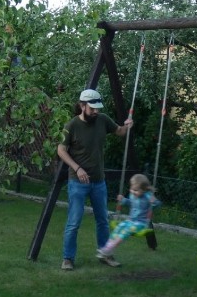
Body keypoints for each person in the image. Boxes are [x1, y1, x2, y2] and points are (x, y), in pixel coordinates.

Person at [56, 89, 132, 270]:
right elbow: (61, 150)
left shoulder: (103, 120)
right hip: (77, 182)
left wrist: (127, 126)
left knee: (103, 220)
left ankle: (105, 254)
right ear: (82, 106)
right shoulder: (71, 125)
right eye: (92, 109)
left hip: (99, 181)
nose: (95, 112)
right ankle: (68, 259)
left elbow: (120, 131)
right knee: (74, 222)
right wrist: (77, 168)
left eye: (97, 108)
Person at [99, 173, 160, 258]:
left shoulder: (147, 196)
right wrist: (123, 200)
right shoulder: (133, 195)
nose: (133, 192)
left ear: (144, 190)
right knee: (119, 227)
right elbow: (130, 202)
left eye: (136, 190)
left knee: (125, 231)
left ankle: (108, 249)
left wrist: (154, 201)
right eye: (132, 189)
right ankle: (107, 247)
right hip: (131, 221)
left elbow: (157, 204)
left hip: (141, 224)